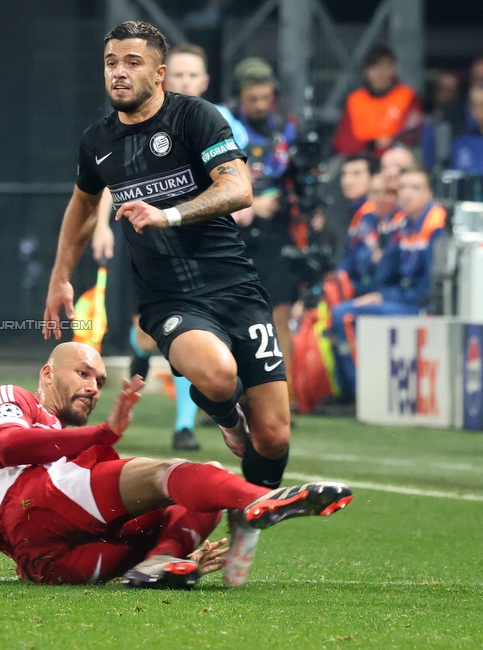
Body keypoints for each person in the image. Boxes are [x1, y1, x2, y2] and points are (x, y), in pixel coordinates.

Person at [43, 21, 294, 587]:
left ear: (158, 72)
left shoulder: (196, 118)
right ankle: (226, 418)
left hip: (235, 286)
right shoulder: (98, 141)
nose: (119, 71)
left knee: (275, 436)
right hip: (168, 297)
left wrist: (170, 212)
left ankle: (245, 524)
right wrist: (61, 277)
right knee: (218, 372)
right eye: (111, 62)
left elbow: (239, 188)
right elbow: (83, 210)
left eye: (132, 61)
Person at [0, 342, 352, 588]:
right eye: (83, 374)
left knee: (195, 499)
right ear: (48, 373)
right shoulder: (18, 399)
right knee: (162, 475)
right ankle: (259, 499)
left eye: (100, 381)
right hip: (24, 506)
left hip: (49, 564)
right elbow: (8, 445)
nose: (93, 388)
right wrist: (103, 433)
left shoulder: (68, 450)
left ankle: (161, 562)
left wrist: (186, 557)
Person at [90, 42, 250, 453]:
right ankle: (142, 354)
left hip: (211, 247)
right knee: (150, 337)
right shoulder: (138, 119)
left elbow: (241, 178)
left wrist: (255, 202)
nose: (184, 82)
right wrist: (102, 226)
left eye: (192, 75)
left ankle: (186, 426)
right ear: (163, 76)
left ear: (205, 81)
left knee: (203, 343)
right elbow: (113, 176)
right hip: (154, 248)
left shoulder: (220, 121)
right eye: (178, 74)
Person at [330, 166, 445, 395]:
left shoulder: (437, 225)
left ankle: (361, 394)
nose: (407, 193)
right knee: (339, 309)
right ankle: (348, 390)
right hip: (400, 299)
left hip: (421, 306)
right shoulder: (402, 224)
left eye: (415, 187)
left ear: (428, 193)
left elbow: (432, 286)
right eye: (402, 187)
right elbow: (385, 273)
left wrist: (383, 296)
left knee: (346, 315)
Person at [228, 57, 301, 404]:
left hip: (277, 235)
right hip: (234, 234)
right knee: (231, 316)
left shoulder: (287, 129)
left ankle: (283, 399)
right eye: (252, 98)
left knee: (280, 315)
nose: (259, 105)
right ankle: (227, 397)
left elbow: (298, 177)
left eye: (265, 98)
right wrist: (252, 204)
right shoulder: (224, 126)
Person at [333, 46, 424, 157]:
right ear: (365, 72)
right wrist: (371, 143)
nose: (379, 74)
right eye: (374, 68)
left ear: (394, 69)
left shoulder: (408, 96)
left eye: (385, 67)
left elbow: (412, 135)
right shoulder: (355, 99)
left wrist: (390, 143)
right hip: (360, 157)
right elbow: (343, 141)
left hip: (394, 158)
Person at [336, 153, 381, 296]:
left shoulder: (372, 212)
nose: (347, 181)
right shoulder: (358, 211)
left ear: (375, 178)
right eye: (345, 174)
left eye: (357, 174)